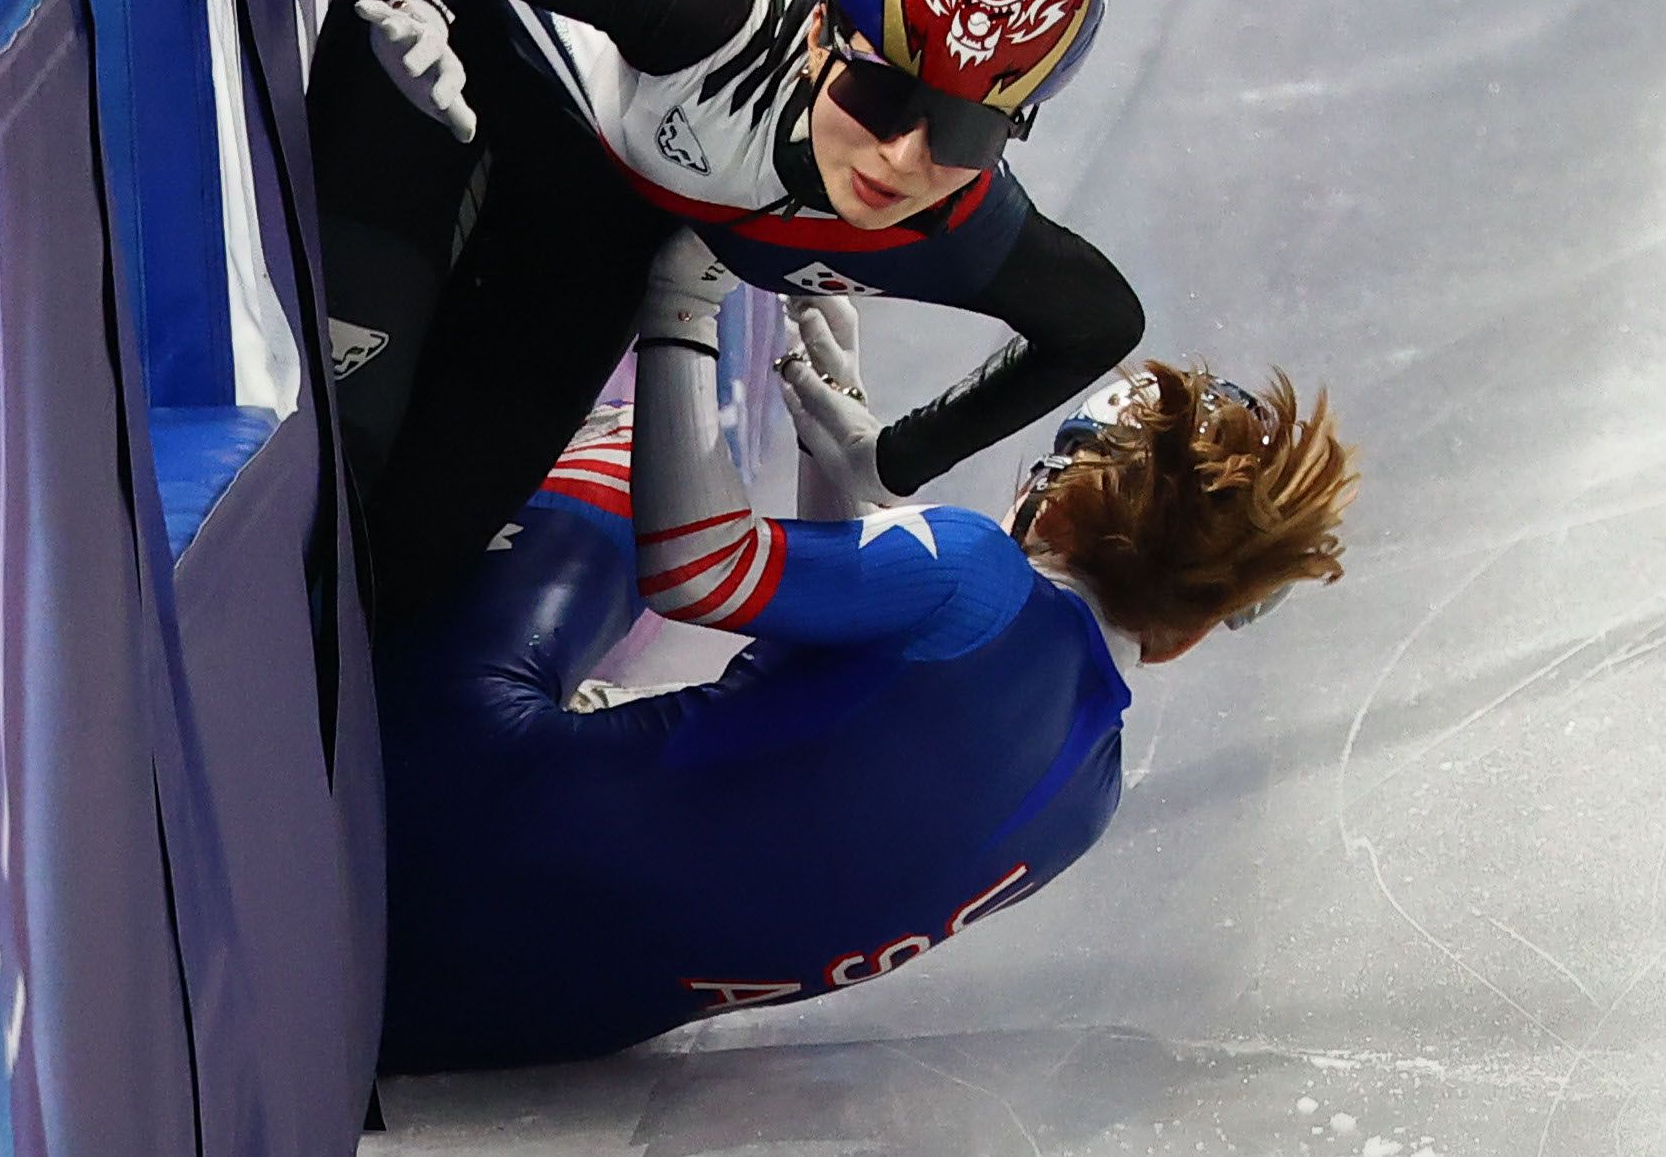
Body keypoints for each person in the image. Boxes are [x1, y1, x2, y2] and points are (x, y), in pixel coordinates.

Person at [372, 234, 1355, 1072]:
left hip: (423, 824)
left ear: (1048, 492)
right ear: (1186, 635)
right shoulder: (1085, 799)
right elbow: (826, 735)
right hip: (501, 1020)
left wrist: (681, 301)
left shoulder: (968, 572)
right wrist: (840, 484)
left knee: (628, 452)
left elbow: (697, 573)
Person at [308, 0, 1142, 621]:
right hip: (450, 70)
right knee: (346, 447)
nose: (901, 158)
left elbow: (1100, 323)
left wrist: (894, 457)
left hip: (602, 213)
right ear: (820, 29)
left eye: (966, 127)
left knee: (414, 555)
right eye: (881, 93)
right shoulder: (712, 14)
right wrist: (423, 7)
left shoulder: (960, 227)